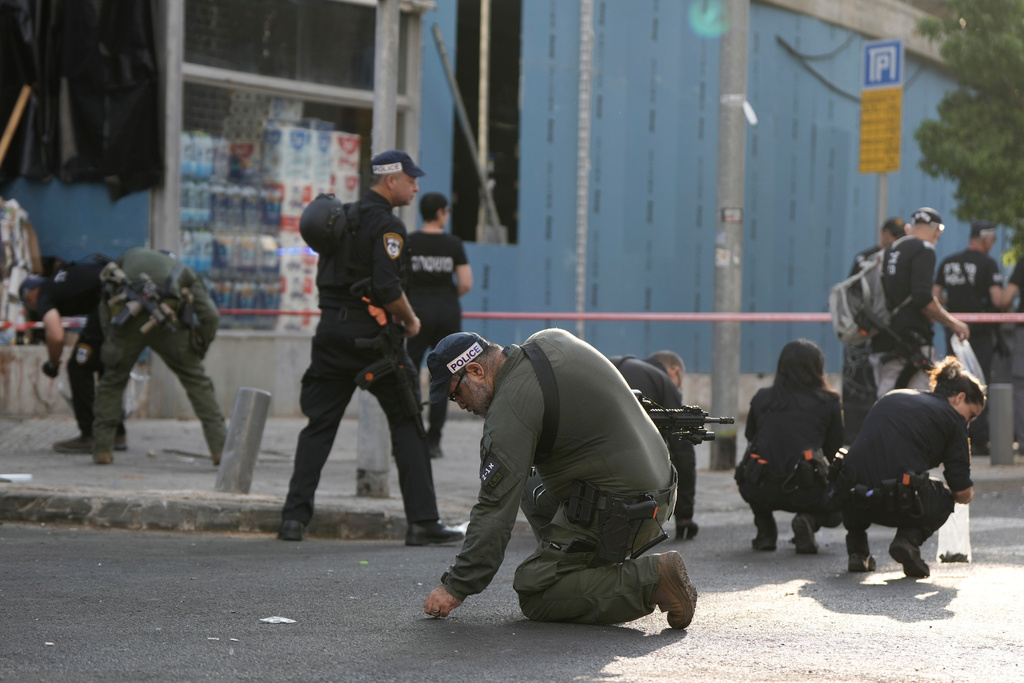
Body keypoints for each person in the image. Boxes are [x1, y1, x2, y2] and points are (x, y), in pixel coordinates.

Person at [421, 329, 698, 629]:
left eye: (455, 393)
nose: (460, 404)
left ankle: (653, 579)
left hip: (627, 510)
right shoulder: (548, 340)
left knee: (536, 591)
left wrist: (456, 587)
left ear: (475, 370)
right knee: (528, 486)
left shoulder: (511, 407)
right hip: (658, 490)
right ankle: (582, 564)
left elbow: (494, 508)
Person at [277, 150, 464, 547]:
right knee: (409, 423)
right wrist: (411, 321)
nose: (416, 187)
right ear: (391, 180)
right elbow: (385, 287)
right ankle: (423, 522)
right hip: (373, 343)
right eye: (411, 179)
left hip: (329, 335)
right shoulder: (387, 225)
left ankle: (293, 519)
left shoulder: (338, 219)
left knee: (319, 427)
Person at [838, 356, 983, 578]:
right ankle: (908, 541)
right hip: (896, 501)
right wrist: (967, 491)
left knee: (861, 473)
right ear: (959, 398)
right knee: (944, 497)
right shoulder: (953, 420)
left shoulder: (893, 397)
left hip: (852, 495)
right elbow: (961, 491)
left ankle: (858, 552)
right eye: (970, 415)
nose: (968, 424)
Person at [93, 248, 225, 466]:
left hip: (127, 325)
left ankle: (102, 450)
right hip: (170, 325)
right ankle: (220, 449)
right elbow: (211, 315)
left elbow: (105, 302)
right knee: (197, 383)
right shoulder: (184, 271)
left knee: (113, 381)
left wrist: (112, 338)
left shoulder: (127, 258)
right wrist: (200, 345)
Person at [735, 340, 844, 554]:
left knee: (748, 473)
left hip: (760, 487)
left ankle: (765, 530)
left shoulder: (762, 398)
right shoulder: (829, 402)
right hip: (807, 488)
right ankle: (809, 520)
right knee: (839, 505)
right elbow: (834, 450)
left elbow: (750, 437)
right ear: (817, 368)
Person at [19, 258, 127, 453]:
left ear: (29, 295)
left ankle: (89, 435)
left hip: (108, 299)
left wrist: (52, 365)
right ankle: (116, 433)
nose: (34, 310)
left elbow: (57, 335)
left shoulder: (43, 294)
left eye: (30, 305)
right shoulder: (58, 282)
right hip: (120, 297)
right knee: (103, 363)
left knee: (79, 367)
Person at [869, 207, 969, 399]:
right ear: (937, 230)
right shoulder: (924, 249)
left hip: (883, 337)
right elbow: (922, 298)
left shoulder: (888, 250)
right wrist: (953, 323)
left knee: (885, 397)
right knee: (917, 402)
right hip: (910, 342)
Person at [406, 192, 473, 460]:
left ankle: (410, 432)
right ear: (441, 213)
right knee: (445, 375)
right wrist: (445, 298)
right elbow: (466, 282)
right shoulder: (453, 244)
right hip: (446, 313)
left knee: (409, 370)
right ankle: (434, 440)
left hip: (416, 313)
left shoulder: (409, 242)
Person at [608, 350, 699, 540]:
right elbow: (683, 453)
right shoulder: (663, 381)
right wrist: (684, 515)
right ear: (674, 371)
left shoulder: (614, 365)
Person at [932, 219, 1003, 454]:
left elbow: (936, 297)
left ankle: (950, 433)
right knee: (979, 383)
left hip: (954, 331)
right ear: (984, 238)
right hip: (979, 332)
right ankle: (978, 439)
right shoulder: (988, 264)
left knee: (953, 381)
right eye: (992, 239)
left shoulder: (948, 262)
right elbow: (997, 300)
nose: (992, 244)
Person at [842, 218, 907, 443]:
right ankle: (857, 435)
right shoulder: (867, 259)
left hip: (889, 334)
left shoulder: (899, 259)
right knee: (859, 384)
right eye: (895, 235)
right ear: (884, 234)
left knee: (882, 386)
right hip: (864, 330)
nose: (897, 240)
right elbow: (853, 293)